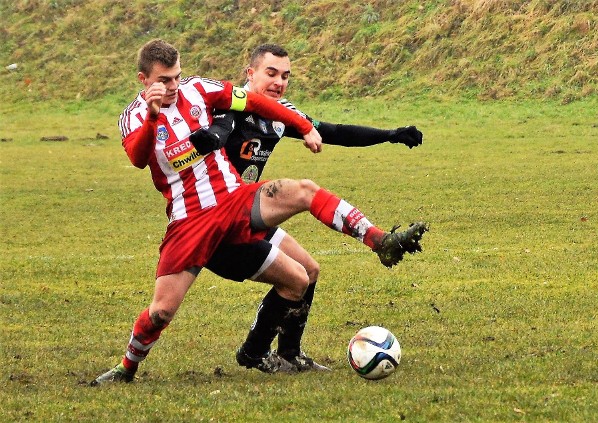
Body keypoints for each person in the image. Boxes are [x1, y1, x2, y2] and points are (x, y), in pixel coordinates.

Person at [91, 39, 426, 385]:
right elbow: (138, 157)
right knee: (161, 312)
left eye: (177, 77)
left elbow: (275, 110)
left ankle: (378, 242)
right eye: (164, 80)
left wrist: (327, 128)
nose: (173, 86)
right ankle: (125, 369)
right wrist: (154, 116)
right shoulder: (133, 116)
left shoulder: (199, 89)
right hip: (192, 221)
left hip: (237, 200)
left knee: (305, 219)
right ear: (144, 79)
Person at [193, 44, 426, 373]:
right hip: (217, 225)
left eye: (285, 76)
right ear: (250, 73)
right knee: (298, 258)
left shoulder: (279, 113)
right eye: (271, 73)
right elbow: (214, 129)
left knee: (309, 271)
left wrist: (389, 134)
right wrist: (214, 135)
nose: (278, 82)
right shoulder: (227, 105)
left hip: (246, 214)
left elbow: (333, 132)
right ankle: (255, 351)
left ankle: (289, 354)